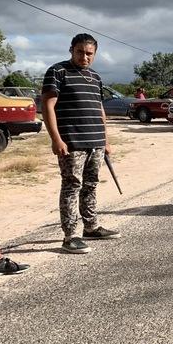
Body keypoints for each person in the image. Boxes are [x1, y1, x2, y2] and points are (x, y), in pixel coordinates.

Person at [42, 34, 121, 254]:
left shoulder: (95, 77)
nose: (84, 57)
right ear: (71, 50)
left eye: (89, 53)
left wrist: (105, 140)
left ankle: (91, 227)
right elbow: (47, 106)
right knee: (71, 186)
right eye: (80, 52)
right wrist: (55, 139)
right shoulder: (57, 72)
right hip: (72, 142)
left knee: (91, 185)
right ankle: (70, 237)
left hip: (95, 141)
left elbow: (100, 110)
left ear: (94, 54)